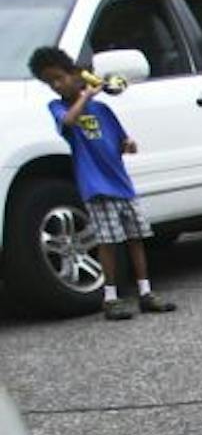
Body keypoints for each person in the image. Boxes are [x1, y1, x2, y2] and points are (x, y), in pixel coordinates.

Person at [29, 47, 177, 321]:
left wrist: (128, 144)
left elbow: (120, 140)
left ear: (75, 75)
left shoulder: (103, 109)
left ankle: (146, 292)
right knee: (108, 242)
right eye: (51, 83)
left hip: (121, 184)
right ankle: (110, 298)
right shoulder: (59, 108)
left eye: (60, 78)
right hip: (97, 187)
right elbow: (69, 122)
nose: (57, 86)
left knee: (136, 238)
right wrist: (85, 95)